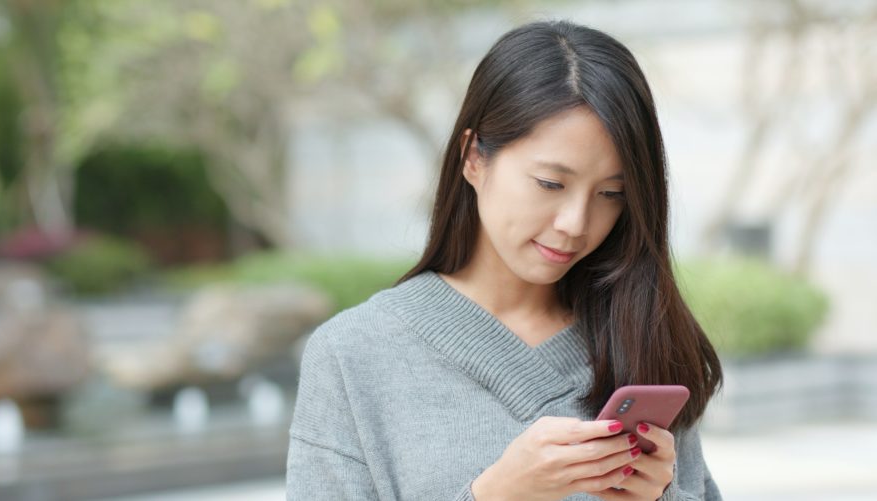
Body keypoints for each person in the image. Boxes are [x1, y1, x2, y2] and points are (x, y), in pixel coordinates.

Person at [286, 19, 723, 501]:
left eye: (611, 193)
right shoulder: (354, 354)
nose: (576, 223)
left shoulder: (640, 333)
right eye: (551, 184)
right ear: (473, 157)